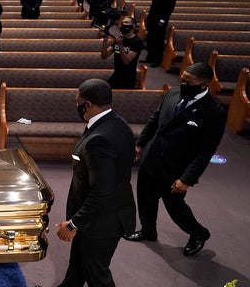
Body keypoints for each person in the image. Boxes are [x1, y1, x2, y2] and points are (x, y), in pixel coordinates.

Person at [124, 63, 226, 256]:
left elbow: (205, 152)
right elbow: (155, 119)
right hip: (152, 157)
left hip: (176, 169)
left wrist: (186, 180)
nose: (183, 84)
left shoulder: (214, 112)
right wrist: (139, 143)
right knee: (145, 200)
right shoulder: (172, 93)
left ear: (204, 84)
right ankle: (148, 231)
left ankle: (198, 233)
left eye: (189, 82)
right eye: (182, 79)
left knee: (175, 209)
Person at [55, 78, 136, 287]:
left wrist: (73, 224)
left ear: (88, 105)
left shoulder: (98, 140)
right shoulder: (118, 123)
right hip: (103, 215)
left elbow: (102, 192)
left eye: (77, 101)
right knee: (78, 267)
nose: (76, 105)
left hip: (101, 222)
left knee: (97, 275)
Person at [101, 16, 143, 89]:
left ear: (133, 26)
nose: (124, 24)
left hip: (128, 78)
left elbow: (126, 61)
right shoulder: (120, 39)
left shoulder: (137, 42)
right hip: (116, 74)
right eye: (122, 23)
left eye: (126, 22)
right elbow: (104, 56)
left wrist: (121, 45)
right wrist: (105, 42)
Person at [144, 0, 176, 68]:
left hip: (159, 21)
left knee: (158, 41)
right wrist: (148, 18)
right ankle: (149, 57)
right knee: (150, 39)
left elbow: (169, 9)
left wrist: (162, 20)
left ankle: (157, 60)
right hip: (152, 20)